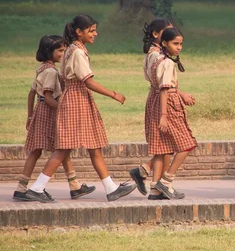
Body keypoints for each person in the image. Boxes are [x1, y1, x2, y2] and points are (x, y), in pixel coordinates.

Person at [25, 15, 134, 202]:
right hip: (77, 99)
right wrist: (114, 94)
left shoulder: (72, 50)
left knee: (92, 146)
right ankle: (37, 187)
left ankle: (110, 187)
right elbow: (88, 81)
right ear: (79, 32)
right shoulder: (76, 52)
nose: (95, 34)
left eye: (94, 30)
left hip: (76, 99)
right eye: (91, 31)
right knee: (65, 148)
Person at [14, 35, 95, 201]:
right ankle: (24, 188)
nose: (63, 53)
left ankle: (74, 185)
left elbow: (31, 94)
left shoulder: (42, 68)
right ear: (48, 52)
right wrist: (65, 108)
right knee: (56, 149)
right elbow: (49, 97)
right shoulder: (51, 71)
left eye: (64, 50)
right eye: (60, 50)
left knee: (58, 149)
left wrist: (30, 116)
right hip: (49, 114)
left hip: (39, 112)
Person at [147, 28, 198, 199]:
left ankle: (154, 189)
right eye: (175, 44)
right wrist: (164, 115)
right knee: (186, 144)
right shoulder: (167, 63)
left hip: (156, 102)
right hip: (168, 104)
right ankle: (167, 181)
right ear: (164, 43)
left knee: (162, 148)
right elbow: (164, 89)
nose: (179, 47)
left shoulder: (156, 58)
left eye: (181, 44)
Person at [129, 19, 177, 199]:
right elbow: (163, 85)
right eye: (168, 33)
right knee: (164, 145)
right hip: (162, 100)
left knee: (164, 146)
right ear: (157, 36)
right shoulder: (159, 57)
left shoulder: (153, 54)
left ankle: (148, 174)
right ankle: (159, 185)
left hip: (156, 97)